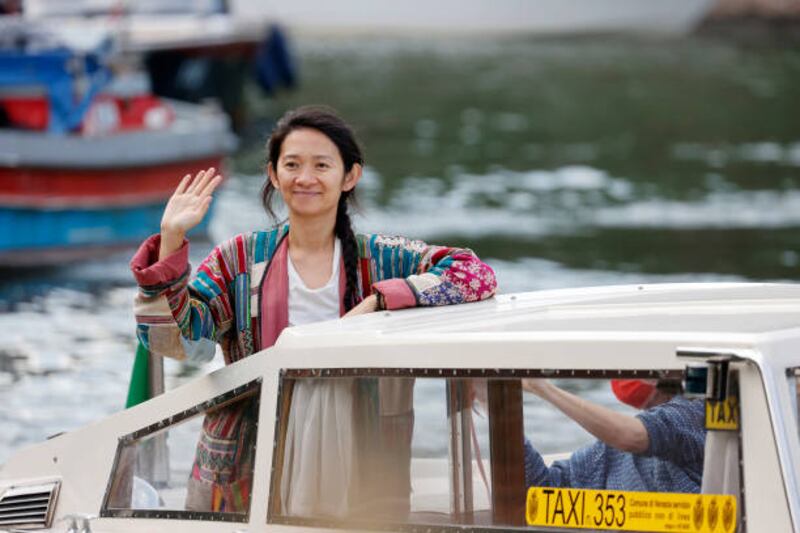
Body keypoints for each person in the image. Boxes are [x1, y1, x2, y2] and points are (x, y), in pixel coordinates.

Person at [130, 105, 497, 515]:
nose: (305, 178)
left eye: (322, 165)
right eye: (292, 165)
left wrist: (379, 301)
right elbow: (181, 339)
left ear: (350, 176)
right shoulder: (238, 259)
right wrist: (171, 239)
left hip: (360, 452)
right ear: (273, 174)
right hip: (248, 458)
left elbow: (475, 274)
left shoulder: (380, 258)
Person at [522, 378, 705, 493]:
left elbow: (632, 436)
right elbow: (548, 488)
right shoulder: (610, 454)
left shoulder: (696, 415)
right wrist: (504, 415)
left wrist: (542, 388)